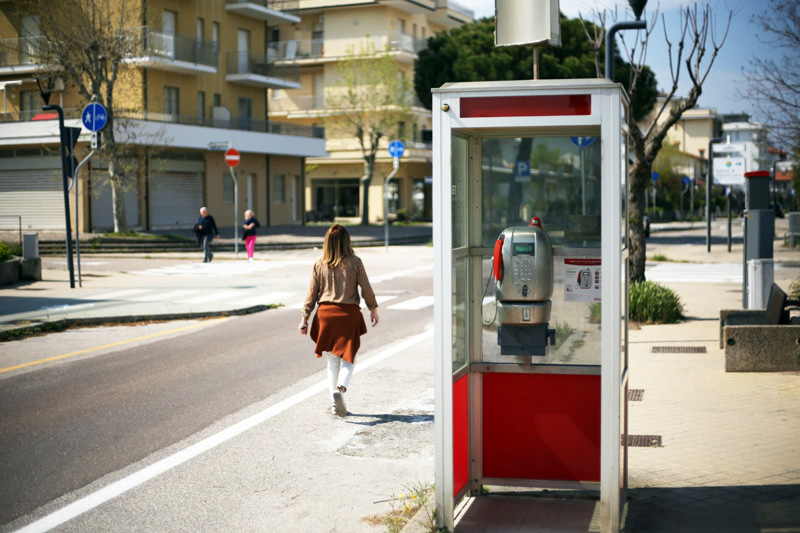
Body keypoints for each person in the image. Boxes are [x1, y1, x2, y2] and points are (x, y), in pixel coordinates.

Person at [299, 224, 379, 417]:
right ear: (346, 241)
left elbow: (311, 294)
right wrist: (373, 309)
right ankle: (340, 389)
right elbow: (366, 289)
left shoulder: (319, 263)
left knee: (332, 360)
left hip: (325, 315)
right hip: (347, 314)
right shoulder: (355, 262)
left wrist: (305, 318)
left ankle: (334, 405)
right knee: (348, 357)